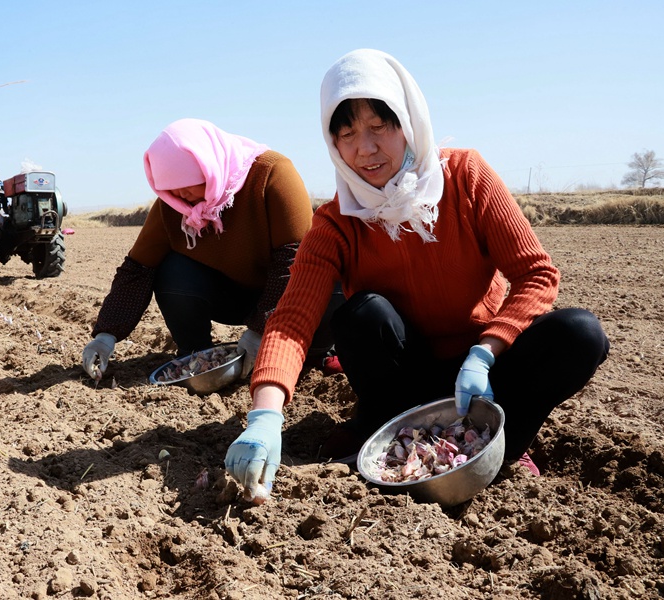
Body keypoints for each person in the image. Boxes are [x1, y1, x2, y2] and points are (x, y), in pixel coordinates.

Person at [225, 49, 610, 503]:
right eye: (346, 133)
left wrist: (486, 352)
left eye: (379, 126)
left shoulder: (466, 177)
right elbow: (291, 321)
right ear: (332, 143)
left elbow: (536, 274)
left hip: (483, 377)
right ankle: (386, 428)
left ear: (408, 120)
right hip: (406, 375)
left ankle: (503, 444)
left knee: (580, 334)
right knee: (363, 314)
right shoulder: (336, 222)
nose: (364, 148)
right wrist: (264, 416)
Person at [81, 118, 343, 382]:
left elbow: (295, 258)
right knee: (173, 270)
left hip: (294, 295)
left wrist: (259, 330)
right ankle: (196, 354)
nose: (182, 194)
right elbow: (137, 269)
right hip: (233, 297)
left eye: (190, 182)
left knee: (331, 280)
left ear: (210, 166)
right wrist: (106, 335)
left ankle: (314, 353)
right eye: (172, 188)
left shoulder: (272, 174)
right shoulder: (173, 206)